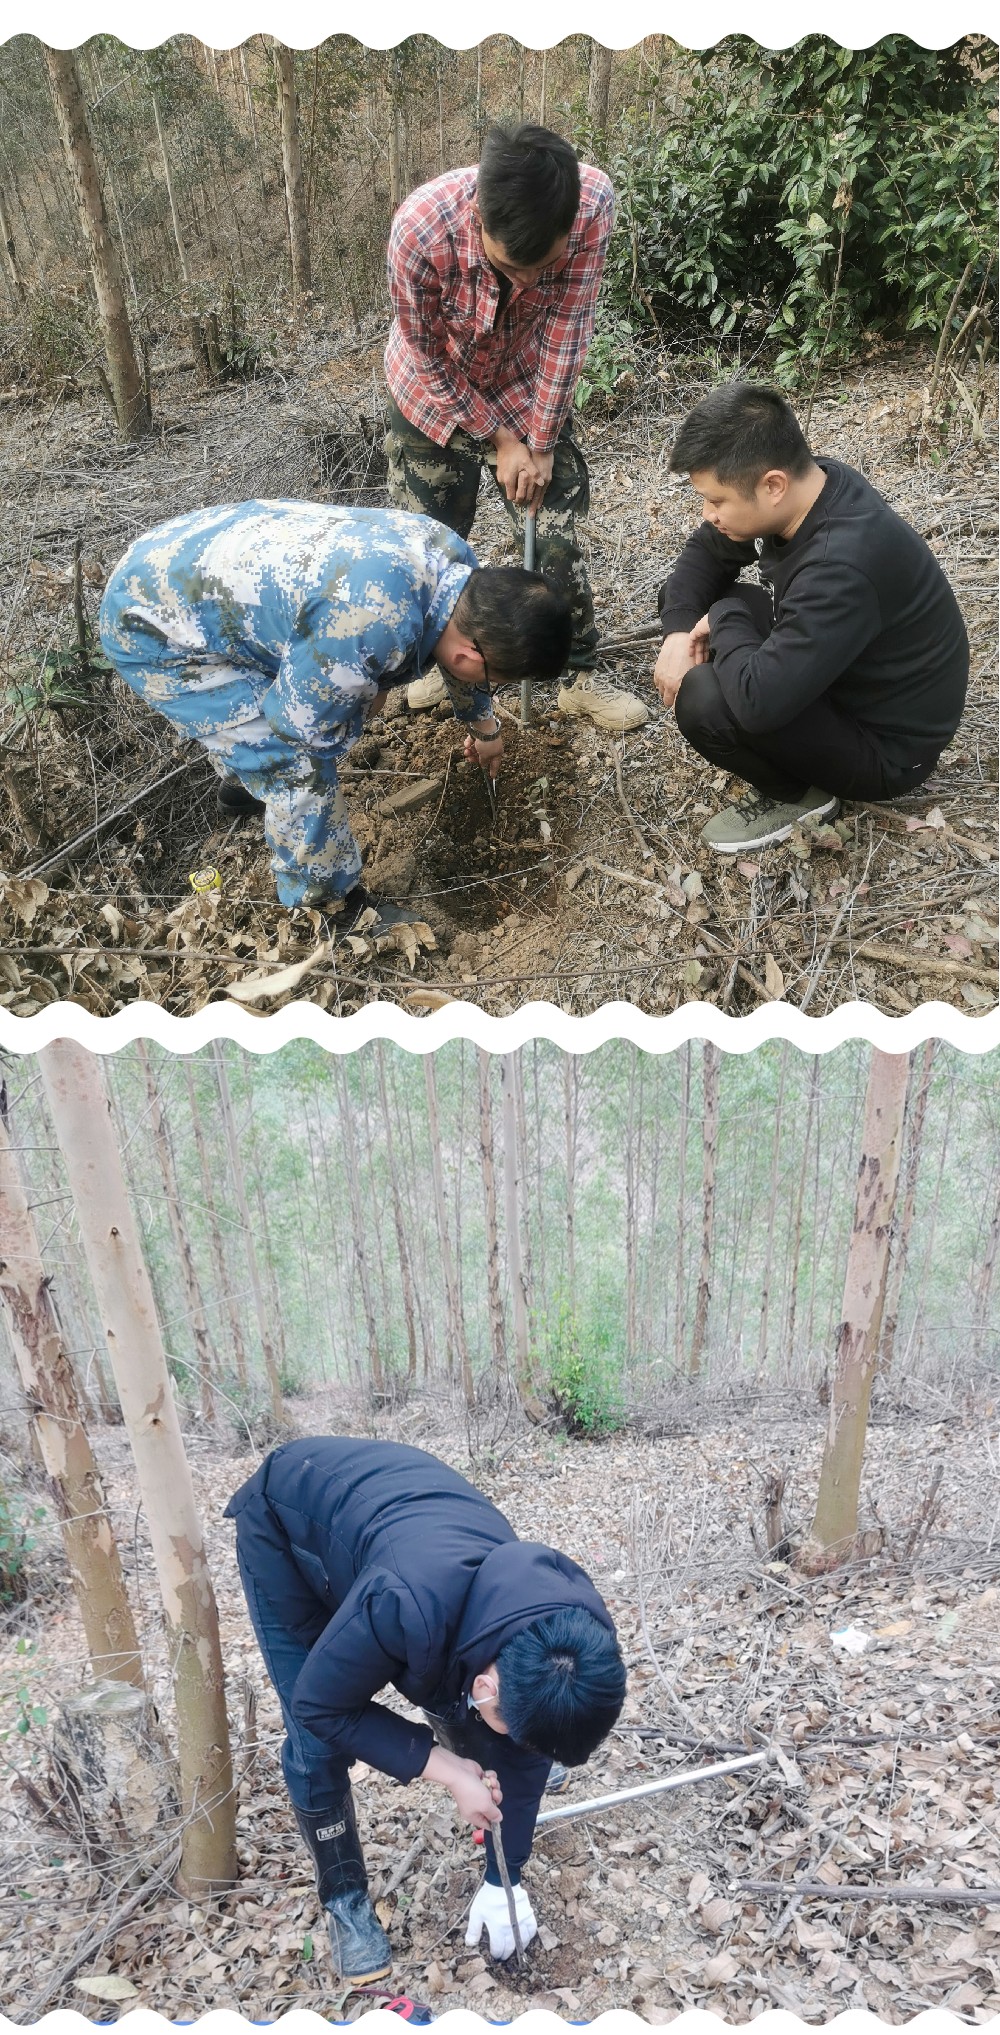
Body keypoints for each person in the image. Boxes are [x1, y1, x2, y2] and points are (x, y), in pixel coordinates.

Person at [225, 1436, 626, 1983]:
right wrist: (443, 1766)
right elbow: (321, 1706)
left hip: (398, 1531)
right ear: (485, 1684)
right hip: (292, 1533)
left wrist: (502, 1880)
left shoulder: (573, 1629)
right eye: (496, 1706)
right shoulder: (406, 1602)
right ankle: (344, 1898)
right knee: (316, 1742)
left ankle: (483, 1739)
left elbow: (524, 1753)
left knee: (494, 1723)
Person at [99, 500, 570, 922]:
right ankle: (327, 905)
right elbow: (298, 727)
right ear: (470, 659)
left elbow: (453, 639)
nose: (488, 686)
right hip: (152, 624)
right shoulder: (370, 624)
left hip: (191, 562)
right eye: (494, 682)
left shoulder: (454, 562)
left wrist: (483, 726)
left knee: (305, 692)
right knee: (293, 766)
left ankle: (243, 782)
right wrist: (363, 701)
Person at [384, 121, 647, 734]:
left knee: (555, 531)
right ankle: (428, 657)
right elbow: (426, 357)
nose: (529, 282)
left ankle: (577, 673)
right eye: (512, 265)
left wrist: (540, 441)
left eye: (542, 265)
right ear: (478, 214)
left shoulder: (592, 206)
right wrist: (497, 439)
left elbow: (567, 331)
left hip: (529, 385)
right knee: (429, 539)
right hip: (433, 393)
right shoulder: (419, 232)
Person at [652, 382, 969, 853]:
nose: (708, 514)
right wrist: (680, 632)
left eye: (716, 501)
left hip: (887, 748)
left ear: (773, 485)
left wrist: (722, 616)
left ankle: (800, 797)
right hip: (853, 676)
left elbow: (757, 705)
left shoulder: (839, 565)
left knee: (705, 699)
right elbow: (707, 550)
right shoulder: (817, 485)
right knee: (694, 603)